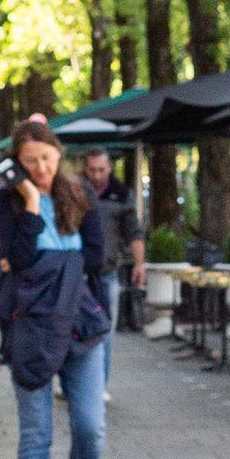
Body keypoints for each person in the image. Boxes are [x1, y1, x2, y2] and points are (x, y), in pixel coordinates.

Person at [0, 127, 110, 459]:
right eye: (30, 160)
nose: (40, 167)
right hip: (31, 328)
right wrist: (29, 203)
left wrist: (50, 266)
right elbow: (17, 257)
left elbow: (97, 257)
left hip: (80, 324)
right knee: (35, 436)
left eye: (47, 157)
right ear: (18, 163)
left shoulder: (81, 195)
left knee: (90, 428)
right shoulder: (6, 202)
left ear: (59, 155)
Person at [79, 146, 146, 370]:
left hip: (106, 273)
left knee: (105, 331)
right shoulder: (75, 191)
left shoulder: (122, 194)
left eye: (101, 169)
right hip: (77, 273)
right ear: (85, 168)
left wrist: (139, 264)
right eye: (91, 170)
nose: (96, 175)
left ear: (109, 167)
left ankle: (100, 383)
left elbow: (134, 232)